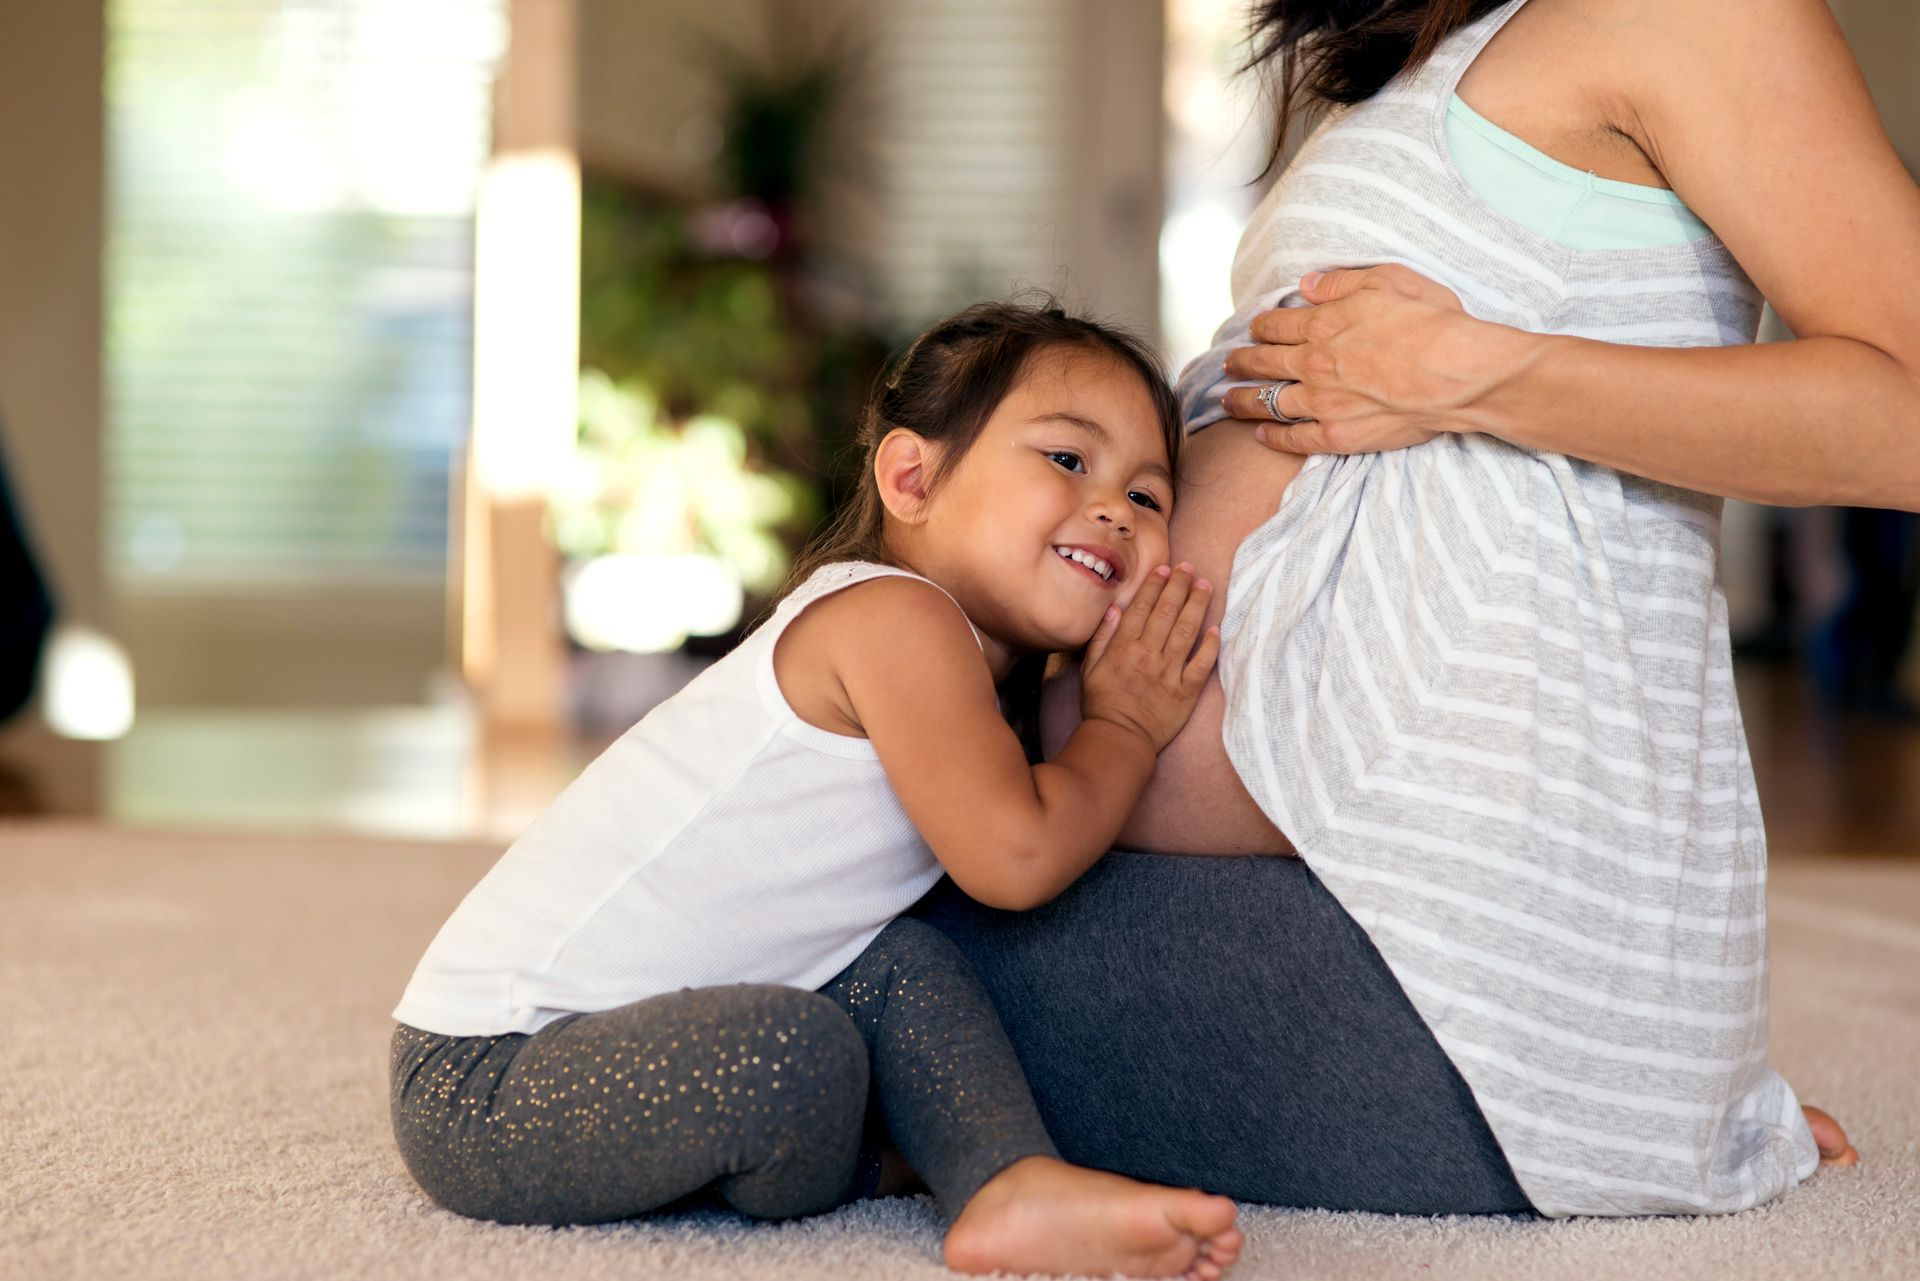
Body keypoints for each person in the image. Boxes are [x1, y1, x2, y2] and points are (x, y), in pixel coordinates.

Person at [919, 0, 1887, 1219]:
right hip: (1355, 923)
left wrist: (1470, 371)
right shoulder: (1442, 46)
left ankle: (1589, 1087)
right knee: (807, 866)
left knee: (844, 961)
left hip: (1423, 976)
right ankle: (1609, 1082)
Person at [389, 302, 1244, 1280]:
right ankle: (896, 1162)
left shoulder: (967, 666)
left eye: (1148, 495)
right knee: (794, 1057)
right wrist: (1126, 725)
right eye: (1066, 460)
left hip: (618, 1043)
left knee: (902, 965)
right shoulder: (894, 619)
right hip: (486, 1081)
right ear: (912, 478)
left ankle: (1007, 1180)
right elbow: (1017, 860)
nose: (1113, 510)